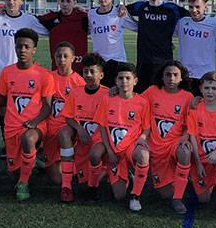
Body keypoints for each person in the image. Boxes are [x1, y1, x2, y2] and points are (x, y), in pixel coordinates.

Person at [0, 29, 54, 201]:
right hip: (11, 126)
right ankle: (31, 161)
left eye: (26, 46)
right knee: (13, 173)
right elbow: (2, 100)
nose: (22, 50)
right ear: (14, 48)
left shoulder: (44, 75)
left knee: (28, 139)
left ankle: (23, 184)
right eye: (19, 46)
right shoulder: (7, 72)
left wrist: (35, 121)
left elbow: (47, 107)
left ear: (34, 50)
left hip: (35, 125)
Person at [88, 62, 151, 211]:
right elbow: (102, 126)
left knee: (143, 155)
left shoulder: (142, 102)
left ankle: (135, 196)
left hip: (130, 146)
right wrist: (110, 151)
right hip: (111, 147)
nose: (124, 82)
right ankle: (95, 185)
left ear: (135, 81)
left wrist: (141, 139)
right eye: (121, 78)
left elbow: (146, 128)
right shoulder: (107, 99)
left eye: (128, 78)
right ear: (115, 81)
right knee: (119, 196)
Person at [142, 60, 194, 214]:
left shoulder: (188, 97)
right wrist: (115, 91)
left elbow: (189, 123)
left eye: (175, 75)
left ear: (181, 78)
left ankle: (178, 198)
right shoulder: (151, 91)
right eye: (168, 75)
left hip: (175, 143)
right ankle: (179, 180)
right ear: (162, 77)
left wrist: (185, 137)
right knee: (165, 194)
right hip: (156, 147)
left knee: (185, 152)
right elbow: (134, 101)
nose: (171, 78)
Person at [58, 52, 109, 200]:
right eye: (85, 71)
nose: (88, 75)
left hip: (100, 144)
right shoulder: (75, 93)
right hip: (82, 143)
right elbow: (68, 117)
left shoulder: (108, 94)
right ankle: (66, 186)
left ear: (101, 75)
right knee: (82, 187)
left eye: (93, 71)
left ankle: (103, 175)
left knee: (111, 190)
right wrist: (79, 129)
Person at [124, 0, 189, 91]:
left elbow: (192, 17)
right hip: (144, 60)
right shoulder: (140, 6)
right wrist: (120, 7)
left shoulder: (172, 8)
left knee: (162, 93)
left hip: (164, 60)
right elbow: (122, 10)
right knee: (142, 93)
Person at [186, 72, 216, 216]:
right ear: (201, 89)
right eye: (207, 88)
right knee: (204, 199)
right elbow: (193, 137)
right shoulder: (195, 108)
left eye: (214, 88)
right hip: (201, 157)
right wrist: (198, 163)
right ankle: (211, 178)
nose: (210, 92)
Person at [43, 42, 85, 191]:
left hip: (69, 130)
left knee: (76, 177)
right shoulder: (48, 77)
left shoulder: (79, 82)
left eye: (65, 56)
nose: (61, 59)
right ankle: (47, 161)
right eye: (58, 56)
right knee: (56, 179)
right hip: (50, 131)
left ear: (73, 58)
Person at [174, 0, 216, 95]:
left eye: (198, 7)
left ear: (205, 7)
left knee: (203, 107)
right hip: (184, 74)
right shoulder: (182, 22)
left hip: (205, 75)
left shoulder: (214, 24)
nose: (194, 10)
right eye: (191, 7)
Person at [87, 0, 137, 86]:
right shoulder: (90, 14)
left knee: (116, 97)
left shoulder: (120, 14)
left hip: (117, 63)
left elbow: (139, 28)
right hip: (98, 64)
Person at [36, 0, 89, 72]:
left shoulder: (84, 18)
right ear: (58, 2)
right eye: (62, 1)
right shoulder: (51, 18)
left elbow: (100, 16)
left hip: (79, 69)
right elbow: (30, 20)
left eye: (68, 1)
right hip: (58, 69)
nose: (65, 4)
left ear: (74, 3)